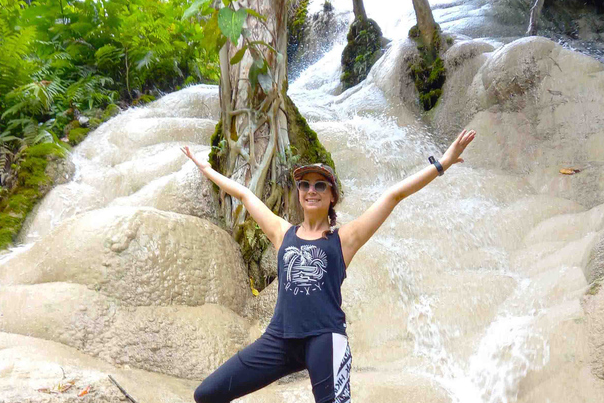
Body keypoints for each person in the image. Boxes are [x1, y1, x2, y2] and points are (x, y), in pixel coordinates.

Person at [180, 128, 476, 403]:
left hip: (326, 338)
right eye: (305, 184)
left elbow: (393, 195)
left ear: (332, 195)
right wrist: (206, 169)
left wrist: (443, 163)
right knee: (206, 394)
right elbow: (244, 194)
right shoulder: (281, 233)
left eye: (320, 185)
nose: (311, 189)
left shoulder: (345, 239)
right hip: (280, 339)